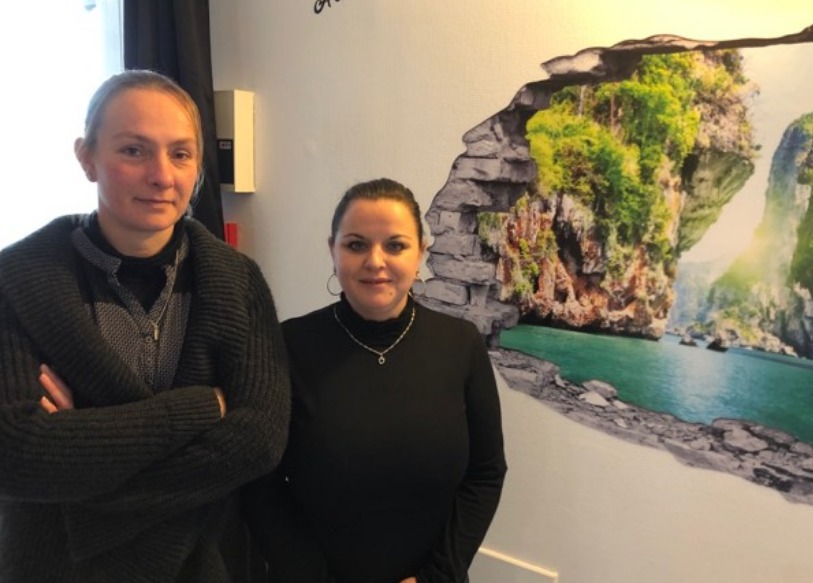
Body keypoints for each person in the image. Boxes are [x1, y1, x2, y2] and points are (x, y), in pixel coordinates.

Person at [0, 69, 291, 582]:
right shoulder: (17, 281)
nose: (162, 175)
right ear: (87, 158)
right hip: (56, 567)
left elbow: (259, 441)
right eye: (133, 150)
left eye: (180, 154)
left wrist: (84, 448)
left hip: (197, 565)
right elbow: (17, 455)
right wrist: (202, 407)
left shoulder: (237, 282)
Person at [243, 178, 507, 583]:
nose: (375, 261)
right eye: (356, 245)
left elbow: (485, 472)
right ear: (332, 250)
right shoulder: (286, 345)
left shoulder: (461, 344)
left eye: (395, 245)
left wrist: (437, 576)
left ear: (421, 253)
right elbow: (261, 483)